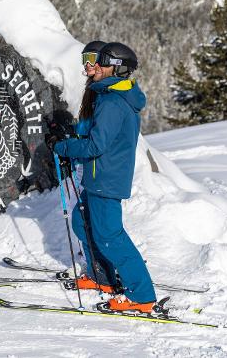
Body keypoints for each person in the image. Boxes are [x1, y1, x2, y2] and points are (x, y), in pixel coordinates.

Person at [48, 41, 157, 313]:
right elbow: (95, 136)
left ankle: (141, 296)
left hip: (106, 179)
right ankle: (104, 279)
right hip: (100, 177)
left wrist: (63, 147)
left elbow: (96, 145)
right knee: (82, 223)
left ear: (116, 68)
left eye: (103, 62)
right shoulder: (110, 98)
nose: (96, 66)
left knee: (110, 236)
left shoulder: (112, 103)